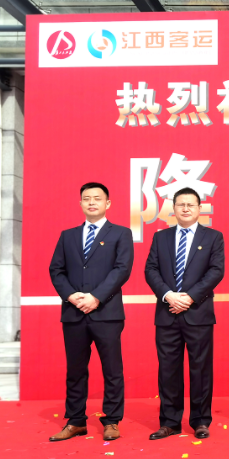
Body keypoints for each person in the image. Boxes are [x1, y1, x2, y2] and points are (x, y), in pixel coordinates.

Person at [48, 182, 134, 442]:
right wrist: (71, 295)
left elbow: (122, 269)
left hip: (107, 312)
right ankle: (75, 421)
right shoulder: (68, 236)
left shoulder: (121, 233)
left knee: (112, 369)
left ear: (108, 203)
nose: (92, 202)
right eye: (87, 198)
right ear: (80, 203)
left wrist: (96, 297)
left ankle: (112, 420)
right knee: (75, 370)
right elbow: (56, 270)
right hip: (73, 312)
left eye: (97, 198)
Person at [145, 187, 225, 440]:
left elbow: (216, 271)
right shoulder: (161, 238)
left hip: (198, 312)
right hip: (167, 311)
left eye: (191, 204)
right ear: (174, 208)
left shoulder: (213, 237)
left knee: (200, 369)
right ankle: (170, 422)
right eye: (181, 204)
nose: (186, 208)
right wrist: (168, 295)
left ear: (200, 208)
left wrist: (189, 297)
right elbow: (151, 270)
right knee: (168, 369)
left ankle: (200, 421)